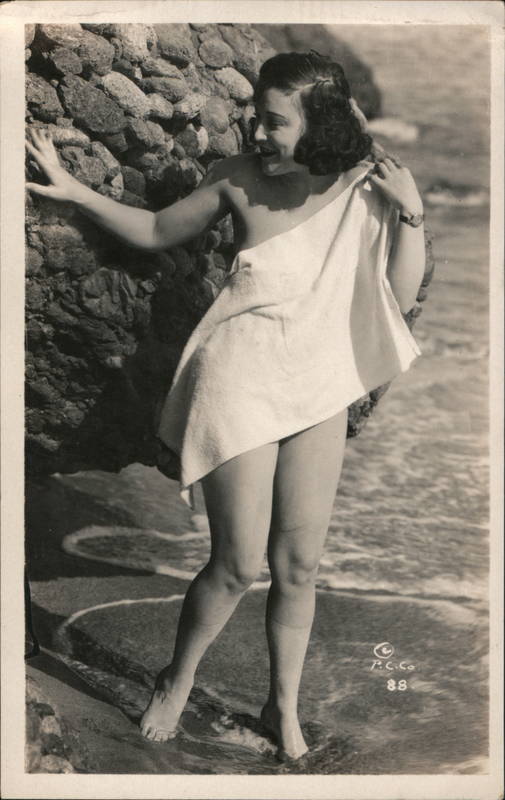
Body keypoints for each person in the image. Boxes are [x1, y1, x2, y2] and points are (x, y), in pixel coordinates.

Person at [26, 50, 426, 760]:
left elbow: (395, 297)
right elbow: (155, 231)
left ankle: (282, 706)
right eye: (258, 116)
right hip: (239, 378)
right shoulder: (235, 180)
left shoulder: (370, 187)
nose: (257, 131)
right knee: (237, 563)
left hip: (319, 383)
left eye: (273, 121)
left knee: (298, 565)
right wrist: (75, 192)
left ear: (318, 123)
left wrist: (411, 214)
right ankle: (175, 681)